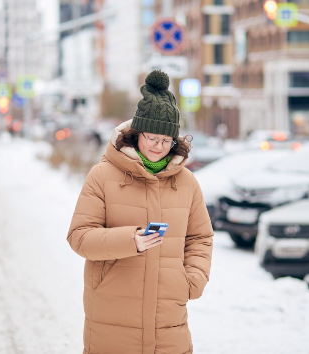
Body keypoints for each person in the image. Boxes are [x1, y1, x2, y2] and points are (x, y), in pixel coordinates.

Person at [67, 70, 214, 354]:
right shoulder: (103, 175)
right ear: (136, 134)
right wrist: (130, 240)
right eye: (152, 138)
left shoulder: (186, 182)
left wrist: (192, 280)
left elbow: (200, 237)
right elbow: (79, 236)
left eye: (167, 140)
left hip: (168, 317)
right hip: (112, 312)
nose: (159, 147)